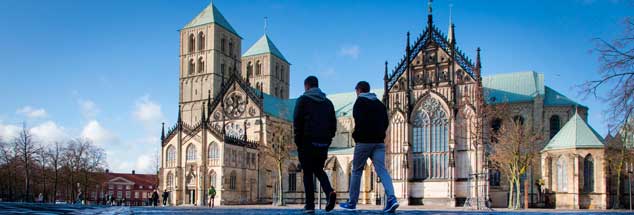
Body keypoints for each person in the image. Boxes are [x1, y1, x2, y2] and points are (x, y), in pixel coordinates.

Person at [339, 81, 399, 213]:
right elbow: (385, 123)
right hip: (379, 142)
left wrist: (356, 136)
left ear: (359, 90)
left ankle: (352, 202)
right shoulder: (380, 104)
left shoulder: (359, 102)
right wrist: (379, 134)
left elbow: (359, 121)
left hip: (364, 141)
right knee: (382, 170)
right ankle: (392, 198)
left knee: (356, 170)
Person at [293, 76, 337, 213]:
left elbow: (297, 122)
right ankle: (329, 192)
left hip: (307, 142)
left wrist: (298, 141)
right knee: (319, 170)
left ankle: (310, 205)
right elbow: (333, 125)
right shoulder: (328, 103)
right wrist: (328, 140)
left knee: (307, 173)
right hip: (323, 144)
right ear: (317, 85)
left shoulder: (303, 100)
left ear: (306, 86)